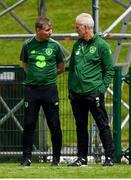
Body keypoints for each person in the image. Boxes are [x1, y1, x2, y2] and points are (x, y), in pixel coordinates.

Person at [68, 13, 114, 167]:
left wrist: (100, 89)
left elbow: (109, 70)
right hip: (77, 94)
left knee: (102, 125)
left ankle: (109, 157)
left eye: (78, 27)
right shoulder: (77, 45)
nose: (76, 30)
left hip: (94, 93)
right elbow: (73, 68)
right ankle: (81, 158)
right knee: (80, 127)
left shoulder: (102, 46)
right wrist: (71, 89)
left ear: (86, 28)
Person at [19, 16, 64, 167]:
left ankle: (56, 159)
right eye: (47, 30)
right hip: (32, 90)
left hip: (49, 90)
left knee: (54, 124)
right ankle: (26, 158)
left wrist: (47, 77)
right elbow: (25, 64)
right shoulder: (27, 45)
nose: (50, 32)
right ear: (38, 30)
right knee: (29, 124)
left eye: (51, 29)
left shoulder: (55, 46)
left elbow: (61, 67)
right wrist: (34, 77)